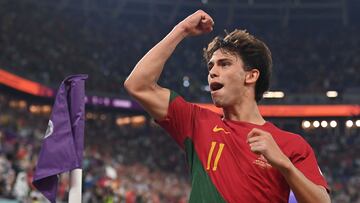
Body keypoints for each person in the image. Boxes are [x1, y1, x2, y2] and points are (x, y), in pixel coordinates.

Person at [124, 10, 330, 203]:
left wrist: (284, 164)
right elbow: (138, 86)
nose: (213, 72)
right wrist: (182, 29)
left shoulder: (291, 144)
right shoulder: (196, 122)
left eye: (224, 64)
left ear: (251, 76)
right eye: (211, 66)